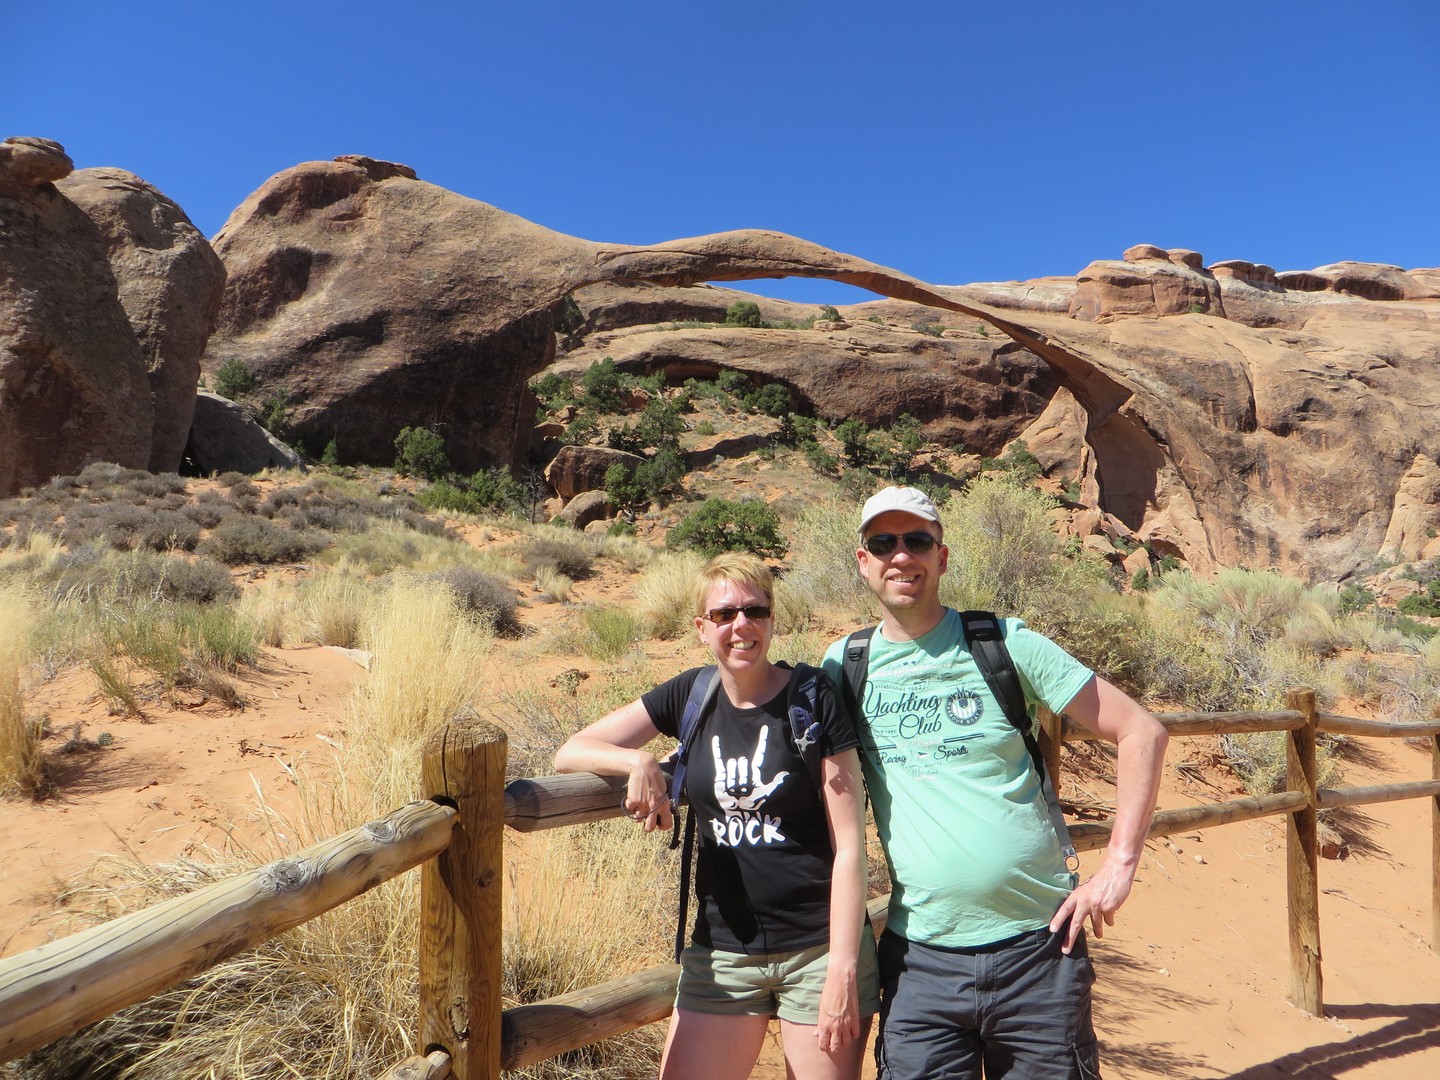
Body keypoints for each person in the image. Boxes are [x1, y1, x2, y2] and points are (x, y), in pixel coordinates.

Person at [820, 485, 1169, 1080]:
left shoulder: (1002, 643)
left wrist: (1120, 864)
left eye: (917, 541)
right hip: (920, 964)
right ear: (863, 562)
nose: (901, 555)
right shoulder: (843, 667)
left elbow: (1141, 731)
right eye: (883, 542)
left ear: (942, 557)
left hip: (1038, 953)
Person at [555, 552, 879, 1080]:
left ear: (773, 619)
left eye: (756, 610)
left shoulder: (813, 695)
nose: (741, 625)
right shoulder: (692, 693)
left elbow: (849, 845)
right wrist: (639, 761)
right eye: (725, 614)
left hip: (818, 950)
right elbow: (571, 750)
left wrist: (842, 969)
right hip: (723, 949)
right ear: (701, 627)